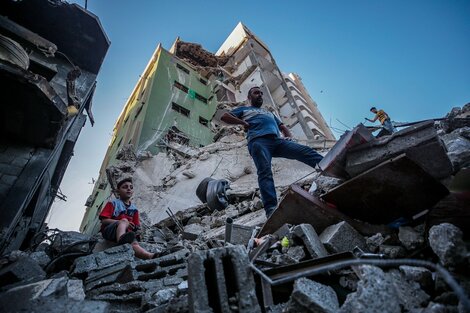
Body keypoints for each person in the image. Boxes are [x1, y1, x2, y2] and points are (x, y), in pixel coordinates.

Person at [220, 86, 323, 218]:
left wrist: (288, 136)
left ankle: (328, 167)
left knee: (304, 151)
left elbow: (282, 126)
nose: (260, 95)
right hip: (258, 142)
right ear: (249, 97)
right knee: (265, 172)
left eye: (261, 93)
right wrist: (243, 122)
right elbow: (225, 116)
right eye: (256, 93)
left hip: (277, 142)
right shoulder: (244, 109)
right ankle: (271, 209)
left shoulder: (269, 113)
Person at [99, 178, 155, 259]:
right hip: (110, 231)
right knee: (124, 221)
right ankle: (121, 240)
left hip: (127, 234)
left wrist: (133, 227)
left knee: (135, 244)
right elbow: (104, 221)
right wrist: (121, 222)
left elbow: (136, 226)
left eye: (131, 187)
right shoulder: (113, 203)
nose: (129, 189)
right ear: (118, 191)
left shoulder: (134, 209)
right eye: (125, 187)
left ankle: (150, 256)